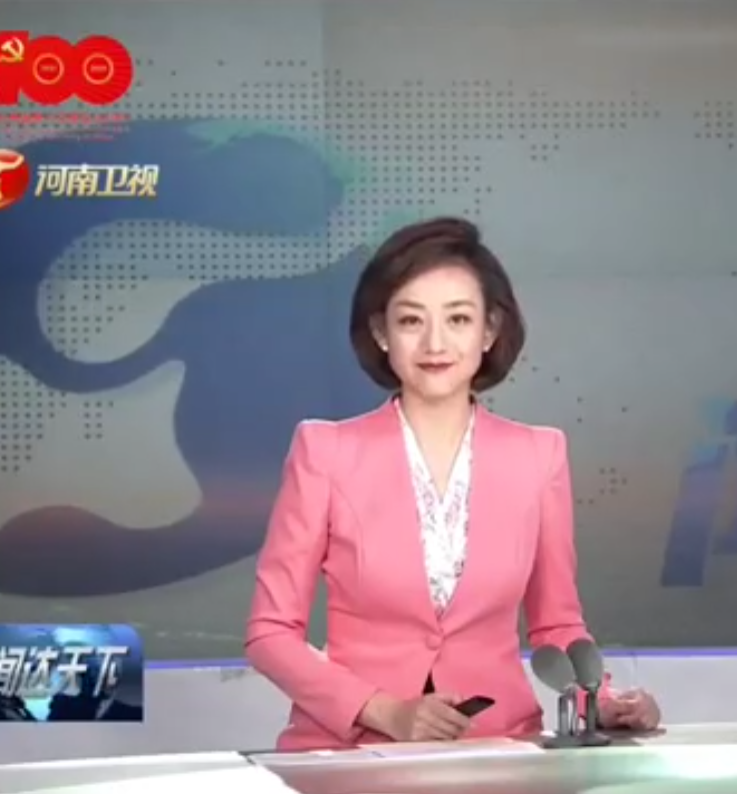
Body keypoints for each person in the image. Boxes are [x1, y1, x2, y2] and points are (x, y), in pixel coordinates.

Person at [245, 216, 661, 749]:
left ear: (489, 330)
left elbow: (557, 625)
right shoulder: (325, 452)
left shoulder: (539, 456)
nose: (435, 343)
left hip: (495, 749)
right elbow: (270, 633)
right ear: (381, 333)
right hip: (351, 752)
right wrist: (385, 711)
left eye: (458, 318)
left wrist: (601, 701)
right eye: (411, 320)